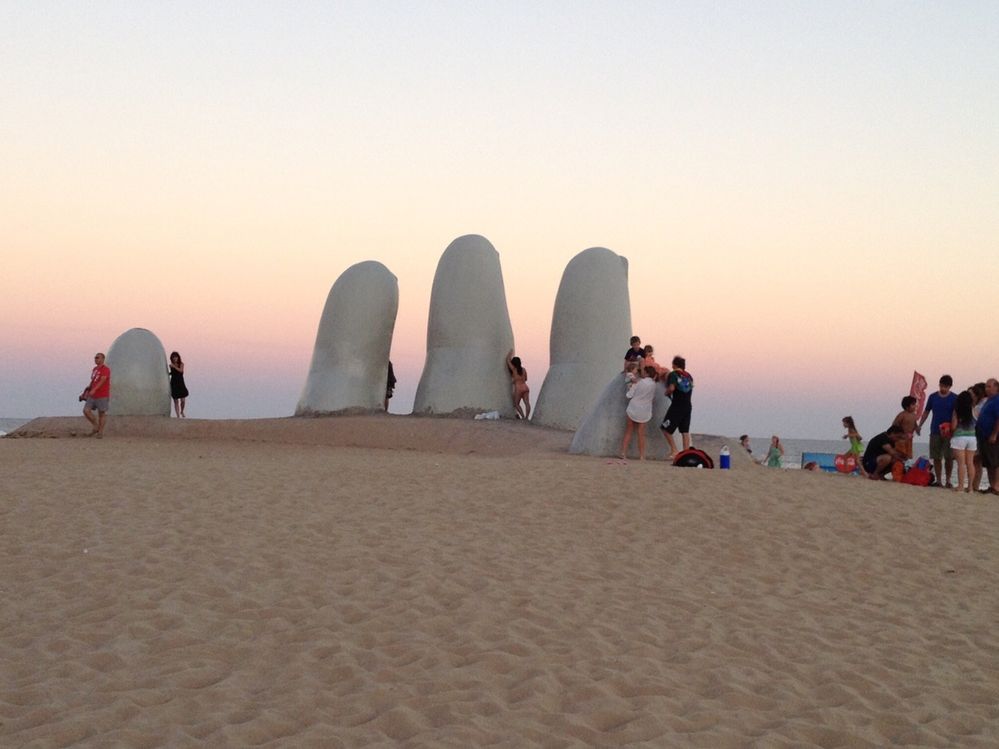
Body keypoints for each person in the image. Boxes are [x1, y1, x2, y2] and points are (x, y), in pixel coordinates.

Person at [916, 375, 957, 488]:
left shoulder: (954, 398)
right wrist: (920, 425)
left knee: (949, 457)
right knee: (936, 457)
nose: (943, 388)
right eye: (941, 386)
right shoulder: (933, 397)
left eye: (945, 386)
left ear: (950, 386)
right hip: (935, 430)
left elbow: (956, 415)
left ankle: (948, 480)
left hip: (949, 432)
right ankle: (938, 480)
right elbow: (926, 412)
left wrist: (954, 429)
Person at [619, 366, 658, 460]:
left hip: (634, 407)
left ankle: (623, 453)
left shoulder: (639, 382)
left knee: (628, 431)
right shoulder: (653, 385)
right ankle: (641, 455)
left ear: (647, 373)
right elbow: (652, 398)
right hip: (645, 409)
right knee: (641, 433)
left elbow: (629, 395)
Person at [660, 355, 694, 458]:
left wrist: (666, 393)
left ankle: (674, 450)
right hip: (687, 405)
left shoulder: (673, 374)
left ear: (674, 365)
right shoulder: (689, 376)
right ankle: (686, 453)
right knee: (685, 431)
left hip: (677, 405)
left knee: (665, 428)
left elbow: (671, 388)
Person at [950, 390, 977, 493]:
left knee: (961, 464)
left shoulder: (957, 411)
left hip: (959, 437)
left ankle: (961, 486)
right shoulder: (974, 410)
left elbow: (953, 426)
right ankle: (970, 488)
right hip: (972, 437)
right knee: (970, 463)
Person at [976, 378, 999, 495]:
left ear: (996, 387)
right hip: (984, 436)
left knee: (995, 463)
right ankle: (992, 486)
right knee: (989, 463)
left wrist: (994, 434)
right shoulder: (989, 400)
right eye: (986, 387)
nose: (987, 389)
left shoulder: (997, 400)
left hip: (992, 436)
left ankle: (996, 487)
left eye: (989, 386)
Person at [82, 352, 111, 438]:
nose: (96, 359)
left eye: (98, 358)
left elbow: (102, 380)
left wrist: (95, 389)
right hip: (92, 395)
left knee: (101, 413)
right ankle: (96, 426)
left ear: (103, 359)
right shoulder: (95, 369)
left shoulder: (105, 369)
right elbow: (93, 380)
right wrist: (89, 388)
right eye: (95, 358)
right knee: (86, 410)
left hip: (102, 395)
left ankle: (100, 432)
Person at [970, 382, 988, 491]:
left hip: (977, 436)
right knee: (977, 463)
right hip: (980, 436)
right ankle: (975, 486)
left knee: (975, 462)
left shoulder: (979, 406)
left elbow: (974, 421)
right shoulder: (985, 403)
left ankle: (973, 486)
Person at [891, 396, 918, 461]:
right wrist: (899, 433)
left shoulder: (914, 415)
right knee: (900, 453)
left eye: (915, 404)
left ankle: (906, 466)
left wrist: (917, 429)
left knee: (908, 455)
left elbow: (915, 424)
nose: (915, 406)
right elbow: (894, 424)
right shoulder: (902, 415)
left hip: (909, 439)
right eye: (913, 404)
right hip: (901, 439)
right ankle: (898, 467)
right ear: (907, 407)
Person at [506, 350, 531, 420]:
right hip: (525, 387)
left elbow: (507, 360)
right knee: (527, 403)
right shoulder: (523, 369)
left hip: (519, 388)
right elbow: (526, 379)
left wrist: (510, 352)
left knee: (516, 404)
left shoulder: (514, 369)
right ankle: (527, 417)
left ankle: (522, 416)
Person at [168, 351, 189, 418]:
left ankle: (182, 411)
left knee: (183, 400)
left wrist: (174, 366)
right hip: (174, 383)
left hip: (181, 383)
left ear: (178, 357)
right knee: (175, 401)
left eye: (176, 357)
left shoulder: (181, 364)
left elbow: (181, 371)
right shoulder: (171, 365)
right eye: (173, 357)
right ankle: (178, 416)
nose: (175, 359)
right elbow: (173, 373)